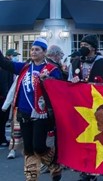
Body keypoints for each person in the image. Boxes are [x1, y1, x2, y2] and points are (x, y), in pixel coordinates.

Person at [0, 38, 63, 181]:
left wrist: (48, 81)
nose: (33, 52)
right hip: (24, 112)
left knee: (39, 146)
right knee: (28, 147)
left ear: (44, 52)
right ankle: (31, 176)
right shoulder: (24, 67)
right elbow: (4, 63)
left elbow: (59, 89)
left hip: (42, 114)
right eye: (32, 49)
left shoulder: (52, 70)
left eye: (37, 50)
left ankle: (54, 165)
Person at [0, 49, 19, 148]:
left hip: (6, 96)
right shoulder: (5, 67)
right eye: (14, 55)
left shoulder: (10, 66)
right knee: (2, 119)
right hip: (3, 97)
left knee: (4, 119)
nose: (15, 57)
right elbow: (5, 82)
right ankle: (2, 138)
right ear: (9, 55)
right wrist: (6, 96)